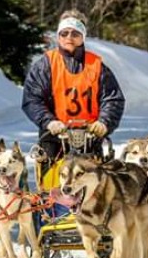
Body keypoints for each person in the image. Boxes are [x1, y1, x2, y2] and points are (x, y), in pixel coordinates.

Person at [22, 10, 125, 165]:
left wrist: (104, 122)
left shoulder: (97, 66)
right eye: (64, 33)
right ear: (58, 36)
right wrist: (49, 121)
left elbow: (112, 99)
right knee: (52, 188)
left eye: (75, 33)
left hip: (90, 138)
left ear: (82, 37)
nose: (69, 37)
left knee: (91, 186)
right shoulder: (45, 65)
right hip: (55, 138)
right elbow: (32, 98)